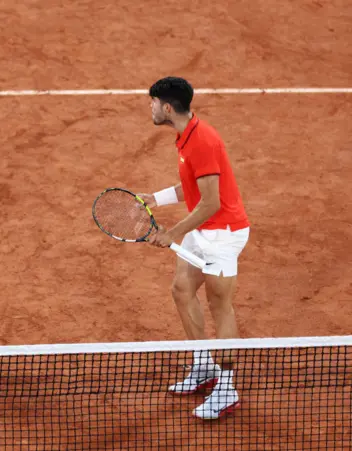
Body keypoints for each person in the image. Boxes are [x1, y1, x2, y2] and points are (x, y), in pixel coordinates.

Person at [139, 77, 250, 420]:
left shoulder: (201, 140)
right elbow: (191, 185)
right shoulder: (186, 136)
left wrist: (172, 233)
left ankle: (227, 388)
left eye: (154, 102)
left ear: (167, 107)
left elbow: (212, 203)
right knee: (182, 289)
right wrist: (154, 199)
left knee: (220, 305)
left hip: (223, 235)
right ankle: (204, 364)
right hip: (203, 229)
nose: (151, 107)